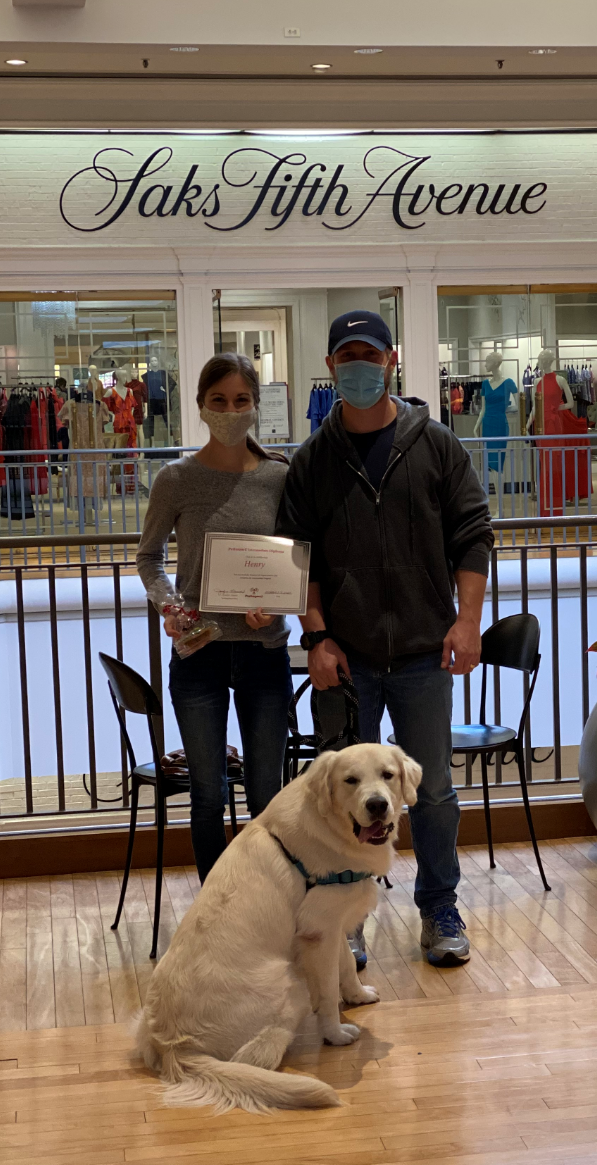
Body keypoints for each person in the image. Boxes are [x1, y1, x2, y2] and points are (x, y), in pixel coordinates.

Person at [277, 311, 494, 968]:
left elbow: (472, 535)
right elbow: (299, 558)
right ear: (330, 366)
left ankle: (439, 907)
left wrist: (466, 621)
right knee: (337, 797)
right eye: (346, 357)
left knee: (432, 792)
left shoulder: (436, 445)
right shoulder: (312, 461)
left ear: (390, 360)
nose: (358, 368)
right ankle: (344, 918)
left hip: (425, 654)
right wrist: (316, 636)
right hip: (346, 659)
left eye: (368, 355)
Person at [136, 353, 292, 883]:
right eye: (219, 401)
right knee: (208, 795)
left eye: (241, 400)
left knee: (267, 795)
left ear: (256, 405)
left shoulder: (278, 477)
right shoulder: (176, 479)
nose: (230, 411)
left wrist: (278, 601)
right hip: (198, 653)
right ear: (201, 405)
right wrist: (169, 606)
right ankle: (217, 906)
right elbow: (149, 557)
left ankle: (269, 901)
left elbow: (297, 557)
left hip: (264, 652)